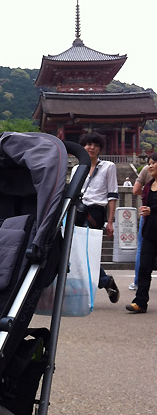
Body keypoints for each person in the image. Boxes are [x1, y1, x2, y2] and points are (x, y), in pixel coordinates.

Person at [74, 132, 120, 303]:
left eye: (95, 145)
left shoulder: (108, 167)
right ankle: (104, 281)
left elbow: (112, 194)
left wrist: (110, 221)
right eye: (88, 144)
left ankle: (103, 282)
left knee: (86, 252)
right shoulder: (77, 168)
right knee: (76, 251)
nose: (91, 148)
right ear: (83, 147)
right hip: (77, 211)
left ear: (100, 148)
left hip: (95, 212)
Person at [126, 153, 157, 313]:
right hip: (150, 232)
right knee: (144, 267)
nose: (150, 166)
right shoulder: (149, 185)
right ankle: (140, 302)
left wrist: (153, 210)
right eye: (149, 163)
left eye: (153, 163)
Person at [129, 162, 153, 290]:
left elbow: (136, 190)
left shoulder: (146, 169)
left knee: (142, 249)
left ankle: (137, 282)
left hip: (147, 214)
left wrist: (147, 194)